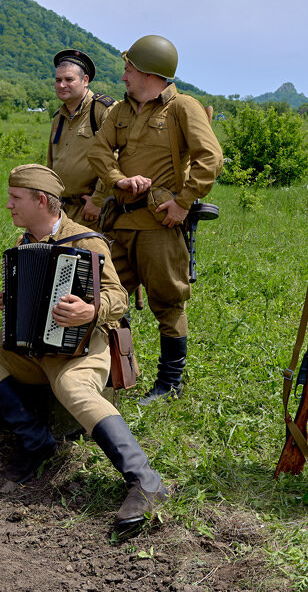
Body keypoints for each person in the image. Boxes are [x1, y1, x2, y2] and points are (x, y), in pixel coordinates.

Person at [0, 165, 168, 528]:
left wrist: (90, 310)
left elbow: (118, 295)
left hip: (83, 347)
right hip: (34, 350)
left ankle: (145, 481)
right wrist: (13, 299)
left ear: (42, 201)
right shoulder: (25, 243)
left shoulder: (86, 240)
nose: (8, 205)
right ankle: (35, 441)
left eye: (15, 198)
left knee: (72, 386)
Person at [87, 35, 223, 405]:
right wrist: (118, 180)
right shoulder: (121, 111)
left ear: (149, 73)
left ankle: (169, 384)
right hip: (119, 224)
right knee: (106, 298)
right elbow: (99, 150)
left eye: (129, 70)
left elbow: (210, 157)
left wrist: (183, 203)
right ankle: (118, 375)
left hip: (159, 225)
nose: (124, 77)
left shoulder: (182, 107)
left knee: (167, 303)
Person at [48, 49, 115, 229]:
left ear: (85, 80)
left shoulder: (103, 110)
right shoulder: (58, 117)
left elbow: (116, 157)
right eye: (58, 80)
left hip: (91, 210)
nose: (62, 85)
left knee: (91, 256)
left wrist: (98, 199)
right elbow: (51, 163)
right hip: (62, 209)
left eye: (69, 80)